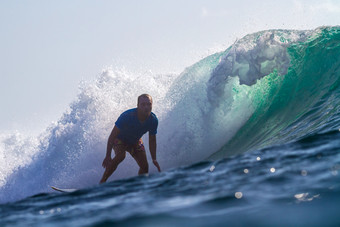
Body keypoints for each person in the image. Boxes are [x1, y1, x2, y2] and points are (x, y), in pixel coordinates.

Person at [100, 94, 161, 183]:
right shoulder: (127, 116)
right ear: (138, 106)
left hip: (135, 141)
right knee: (121, 156)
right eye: (143, 105)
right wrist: (108, 155)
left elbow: (152, 140)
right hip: (119, 139)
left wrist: (154, 159)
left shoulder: (153, 120)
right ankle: (102, 182)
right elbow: (112, 136)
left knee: (145, 167)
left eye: (149, 104)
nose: (146, 107)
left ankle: (139, 187)